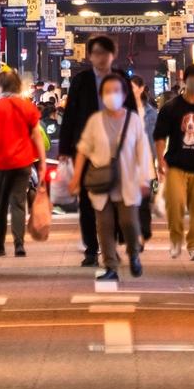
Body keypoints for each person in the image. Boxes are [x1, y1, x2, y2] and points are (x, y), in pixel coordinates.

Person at [71, 71, 153, 281]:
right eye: (107, 91)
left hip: (128, 181)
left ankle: (134, 255)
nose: (112, 95)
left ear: (124, 95)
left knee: (129, 224)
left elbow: (143, 151)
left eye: (116, 91)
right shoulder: (95, 121)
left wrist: (146, 179)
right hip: (101, 183)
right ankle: (111, 267)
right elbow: (83, 149)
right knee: (104, 227)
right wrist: (76, 177)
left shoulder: (133, 120)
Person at [59, 36, 119, 266]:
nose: (101, 57)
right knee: (86, 201)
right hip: (85, 148)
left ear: (113, 55)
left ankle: (110, 246)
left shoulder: (120, 79)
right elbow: (70, 115)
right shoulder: (81, 81)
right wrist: (64, 148)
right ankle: (91, 249)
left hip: (116, 148)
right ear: (89, 55)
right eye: (96, 53)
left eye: (105, 53)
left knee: (114, 199)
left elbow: (132, 112)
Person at [0, 68, 44, 257]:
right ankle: (19, 245)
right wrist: (42, 162)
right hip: (23, 162)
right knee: (19, 204)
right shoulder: (28, 107)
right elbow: (37, 135)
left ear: (1, 85)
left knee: (0, 204)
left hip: (1, 162)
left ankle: (0, 245)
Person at [153, 64, 194, 262]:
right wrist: (160, 160)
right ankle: (176, 239)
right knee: (175, 205)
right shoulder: (171, 107)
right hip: (176, 165)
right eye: (192, 78)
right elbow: (160, 137)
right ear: (185, 81)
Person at [131, 75, 159, 243]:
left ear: (141, 89)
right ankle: (135, 235)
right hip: (127, 162)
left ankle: (143, 232)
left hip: (145, 162)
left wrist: (156, 161)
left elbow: (155, 139)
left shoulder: (151, 112)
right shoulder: (123, 111)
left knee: (143, 202)